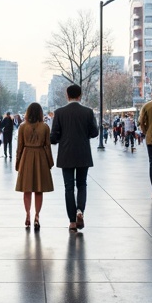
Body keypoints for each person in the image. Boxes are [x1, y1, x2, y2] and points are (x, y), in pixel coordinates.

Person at [50, 84, 98, 231]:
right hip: (83, 153)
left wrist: (61, 139)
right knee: (82, 184)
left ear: (67, 95)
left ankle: (72, 221)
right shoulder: (88, 112)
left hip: (66, 155)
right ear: (80, 96)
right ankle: (80, 211)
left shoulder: (59, 113)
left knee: (68, 188)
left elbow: (53, 137)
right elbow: (95, 132)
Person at [15, 102, 54, 229]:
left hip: (26, 157)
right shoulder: (45, 127)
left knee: (27, 190)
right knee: (39, 189)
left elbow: (19, 147)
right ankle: (37, 215)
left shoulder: (22, 127)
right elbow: (47, 146)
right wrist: (50, 162)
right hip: (40, 157)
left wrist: (17, 163)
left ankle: (27, 214)